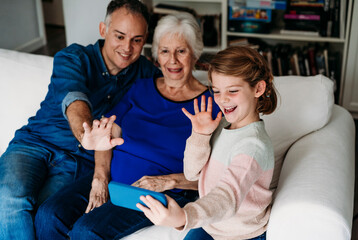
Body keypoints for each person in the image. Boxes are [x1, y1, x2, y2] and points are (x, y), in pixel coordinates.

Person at [35, 12, 221, 240]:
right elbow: (108, 132)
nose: (172, 60)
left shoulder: (211, 104)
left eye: (181, 51)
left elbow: (219, 173)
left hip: (157, 192)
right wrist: (100, 178)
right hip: (114, 180)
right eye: (165, 51)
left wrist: (169, 180)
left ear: (195, 54)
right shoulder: (140, 87)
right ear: (156, 56)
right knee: (48, 215)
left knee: (87, 230)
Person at [0, 1, 161, 239]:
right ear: (103, 30)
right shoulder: (73, 57)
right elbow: (74, 99)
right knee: (9, 197)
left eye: (137, 40)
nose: (127, 47)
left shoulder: (145, 73)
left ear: (145, 39)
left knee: (43, 213)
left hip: (77, 163)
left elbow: (175, 81)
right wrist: (86, 133)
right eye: (119, 36)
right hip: (35, 145)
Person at [138, 46, 278, 240]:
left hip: (242, 235)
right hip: (212, 224)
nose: (223, 99)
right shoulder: (221, 125)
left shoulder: (253, 146)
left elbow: (227, 197)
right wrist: (200, 135)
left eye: (233, 90)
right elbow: (192, 172)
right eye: (217, 91)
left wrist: (184, 216)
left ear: (258, 89)